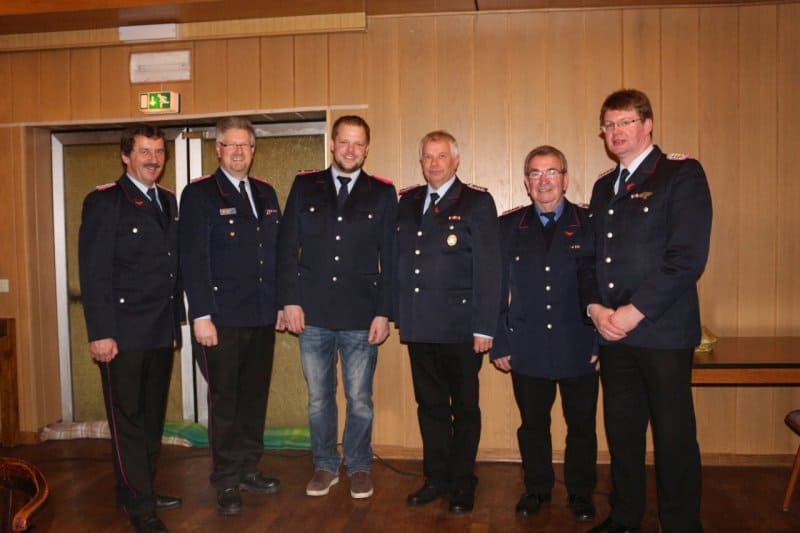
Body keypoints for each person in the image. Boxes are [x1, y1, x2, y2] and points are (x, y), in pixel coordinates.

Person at [586, 89, 712, 533]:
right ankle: (625, 517)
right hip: (612, 333)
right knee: (622, 434)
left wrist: (634, 312)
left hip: (661, 331)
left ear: (647, 125)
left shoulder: (680, 174)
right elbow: (591, 258)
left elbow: (686, 258)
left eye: (625, 122)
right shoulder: (603, 186)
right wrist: (595, 309)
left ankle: (681, 524)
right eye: (609, 125)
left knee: (673, 437)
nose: (616, 132)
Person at [277, 115, 397, 499]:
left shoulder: (382, 193)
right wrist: (289, 300)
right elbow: (287, 246)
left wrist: (384, 312)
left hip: (362, 315)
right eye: (344, 141)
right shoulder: (305, 185)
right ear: (332, 144)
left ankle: (359, 466)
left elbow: (391, 258)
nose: (350, 149)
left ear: (367, 149)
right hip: (312, 313)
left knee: (360, 399)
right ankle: (325, 465)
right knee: (319, 398)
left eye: (358, 143)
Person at [78, 124, 183, 533]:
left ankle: (139, 489)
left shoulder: (167, 200)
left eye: (158, 152)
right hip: (121, 334)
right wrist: (100, 332)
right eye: (144, 151)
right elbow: (94, 273)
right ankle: (141, 506)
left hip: (158, 330)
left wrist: (174, 325)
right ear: (125, 156)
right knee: (128, 422)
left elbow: (170, 269)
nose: (153, 160)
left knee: (152, 419)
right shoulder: (105, 202)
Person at [393, 130, 502, 515]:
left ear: (456, 161)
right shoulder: (407, 202)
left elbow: (490, 268)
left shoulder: (476, 202)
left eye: (441, 156)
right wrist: (399, 315)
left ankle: (462, 481)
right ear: (421, 162)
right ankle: (436, 478)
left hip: (461, 329)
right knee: (430, 406)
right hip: (420, 326)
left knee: (465, 408)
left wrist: (485, 326)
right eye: (428, 156)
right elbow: (401, 262)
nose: (434, 163)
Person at [179, 117, 283, 516]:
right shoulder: (199, 194)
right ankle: (225, 478)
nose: (238, 152)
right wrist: (200, 314)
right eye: (231, 145)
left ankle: (249, 467)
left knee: (254, 398)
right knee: (225, 402)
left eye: (245, 145)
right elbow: (193, 258)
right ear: (218, 149)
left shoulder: (266, 192)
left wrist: (280, 304)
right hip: (220, 319)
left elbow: (274, 254)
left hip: (261, 315)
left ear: (253, 151)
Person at [491, 145, 599, 522]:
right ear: (526, 182)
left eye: (552, 172)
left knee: (581, 426)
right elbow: (493, 288)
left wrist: (601, 340)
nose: (544, 180)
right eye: (535, 173)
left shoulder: (589, 223)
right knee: (533, 426)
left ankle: (581, 493)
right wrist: (500, 340)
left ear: (565, 179)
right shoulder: (508, 227)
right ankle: (536, 489)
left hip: (580, 343)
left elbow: (604, 284)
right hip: (528, 344)